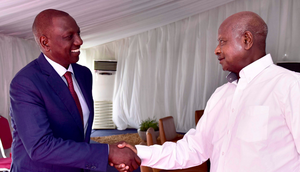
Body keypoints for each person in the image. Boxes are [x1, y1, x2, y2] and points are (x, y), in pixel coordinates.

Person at [116, 11, 300, 171]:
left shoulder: (290, 86)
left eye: (222, 41)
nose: (216, 50)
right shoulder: (221, 95)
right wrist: (138, 151)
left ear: (247, 40)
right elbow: (193, 149)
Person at [9, 9, 140, 172]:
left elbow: (79, 133)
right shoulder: (26, 82)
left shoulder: (84, 74)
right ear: (45, 43)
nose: (79, 41)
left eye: (78, 33)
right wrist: (107, 152)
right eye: (69, 36)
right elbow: (40, 147)